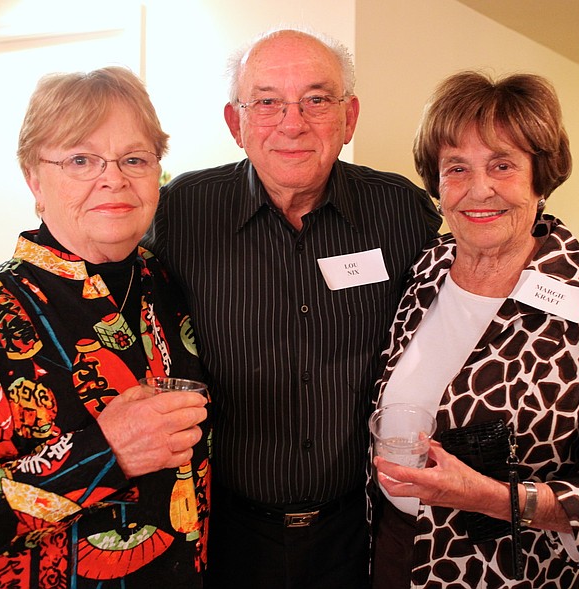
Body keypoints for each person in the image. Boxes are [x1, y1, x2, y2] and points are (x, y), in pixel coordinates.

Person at [145, 28, 441, 589]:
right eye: (266, 102)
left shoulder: (402, 211)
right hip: (225, 530)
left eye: (316, 99)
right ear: (235, 124)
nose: (292, 123)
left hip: (361, 527)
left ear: (349, 117)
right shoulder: (181, 212)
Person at [0, 67, 211, 588]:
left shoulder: (165, 282)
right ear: (34, 180)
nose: (113, 178)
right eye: (81, 160)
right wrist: (105, 452)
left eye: (134, 159)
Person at [369, 70, 579, 588]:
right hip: (391, 550)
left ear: (540, 178)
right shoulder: (420, 273)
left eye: (502, 165)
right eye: (456, 168)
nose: (478, 189)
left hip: (516, 573)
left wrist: (493, 497)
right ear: (437, 185)